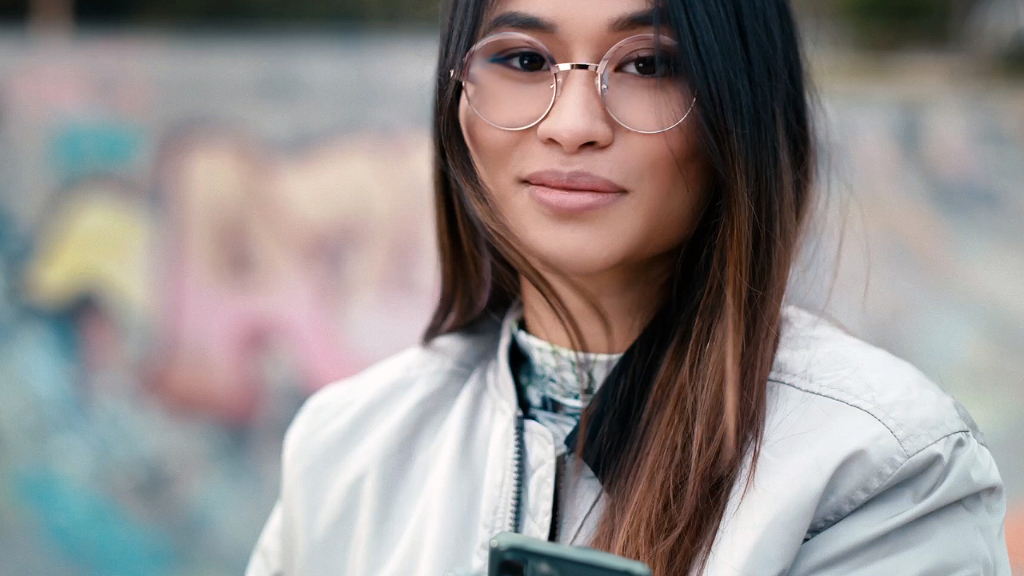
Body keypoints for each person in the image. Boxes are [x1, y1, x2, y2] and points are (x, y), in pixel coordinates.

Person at [245, 0, 1011, 574]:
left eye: (648, 65)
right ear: (456, 100)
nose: (573, 123)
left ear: (739, 106)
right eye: (522, 61)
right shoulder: (348, 442)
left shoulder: (879, 466)